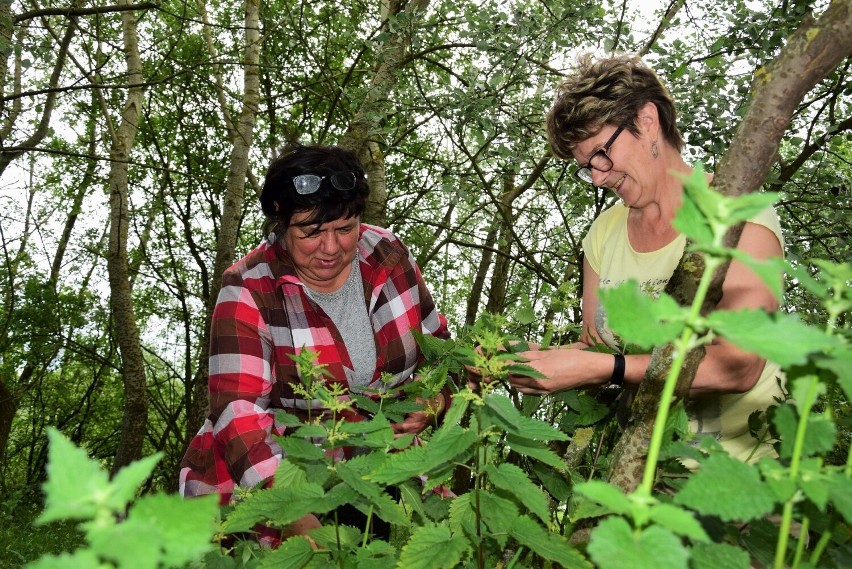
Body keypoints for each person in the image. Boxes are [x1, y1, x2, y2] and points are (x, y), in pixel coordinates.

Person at [508, 54, 785, 463]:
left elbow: (737, 367)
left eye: (602, 153)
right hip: (639, 471)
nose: (599, 177)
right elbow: (601, 355)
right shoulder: (604, 233)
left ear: (648, 120)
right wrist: (542, 361)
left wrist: (607, 369)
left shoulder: (735, 213)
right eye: (587, 167)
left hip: (740, 480)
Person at [180, 143, 451, 544]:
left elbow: (440, 352)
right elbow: (238, 415)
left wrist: (434, 402)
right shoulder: (249, 287)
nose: (331, 247)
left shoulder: (388, 256)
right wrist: (300, 523)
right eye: (311, 232)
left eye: (345, 228)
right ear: (280, 224)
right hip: (269, 487)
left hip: (370, 478)